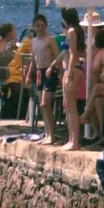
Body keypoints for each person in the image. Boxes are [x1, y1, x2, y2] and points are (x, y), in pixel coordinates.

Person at [28, 13, 61, 141]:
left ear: (46, 26)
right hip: (39, 73)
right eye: (37, 26)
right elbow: (33, 60)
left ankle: (52, 134)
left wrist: (53, 68)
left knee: (45, 103)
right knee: (42, 106)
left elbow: (58, 56)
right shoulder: (33, 41)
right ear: (34, 27)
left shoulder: (50, 39)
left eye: (42, 25)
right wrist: (29, 75)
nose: (40, 28)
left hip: (50, 72)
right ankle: (47, 133)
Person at [58, 7, 84, 152]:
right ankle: (71, 139)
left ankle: (75, 141)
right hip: (70, 69)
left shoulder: (72, 31)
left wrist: (68, 73)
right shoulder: (75, 30)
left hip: (72, 69)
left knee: (71, 107)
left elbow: (73, 53)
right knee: (67, 106)